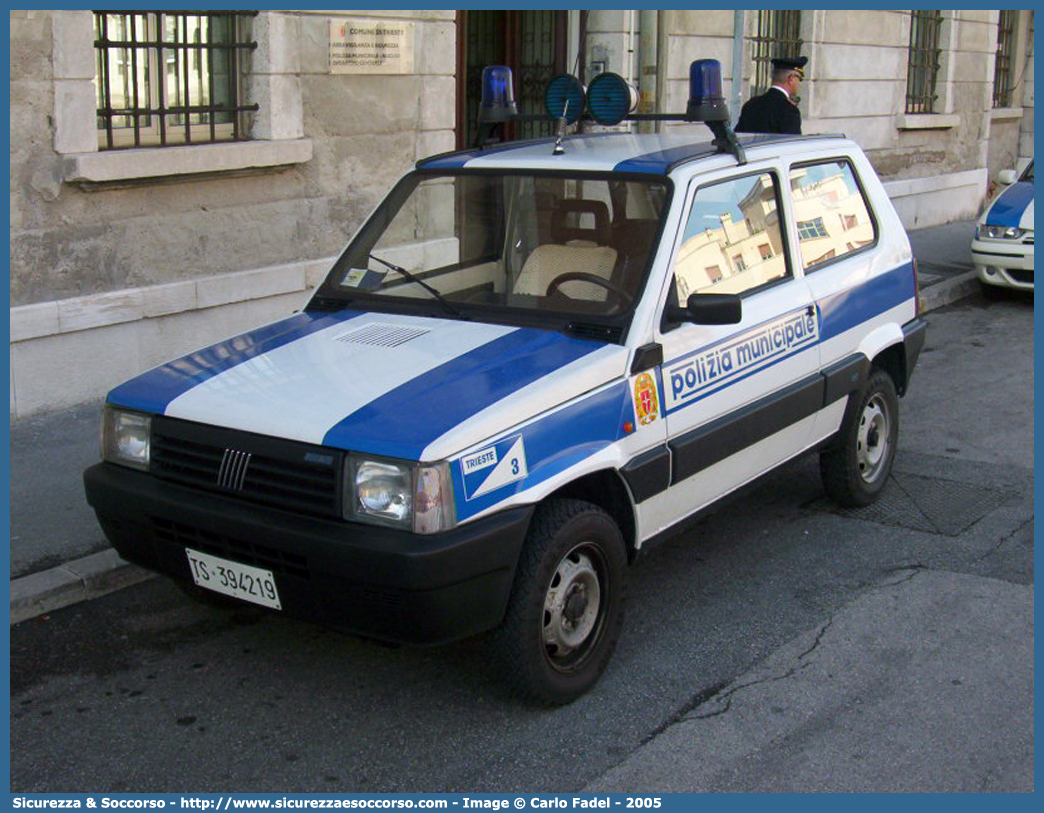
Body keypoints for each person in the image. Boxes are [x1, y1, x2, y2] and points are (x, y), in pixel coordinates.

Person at [735, 56, 807, 135]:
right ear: (791, 79)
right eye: (800, 79)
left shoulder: (751, 105)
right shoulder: (789, 111)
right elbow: (792, 144)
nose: (799, 83)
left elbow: (738, 137)